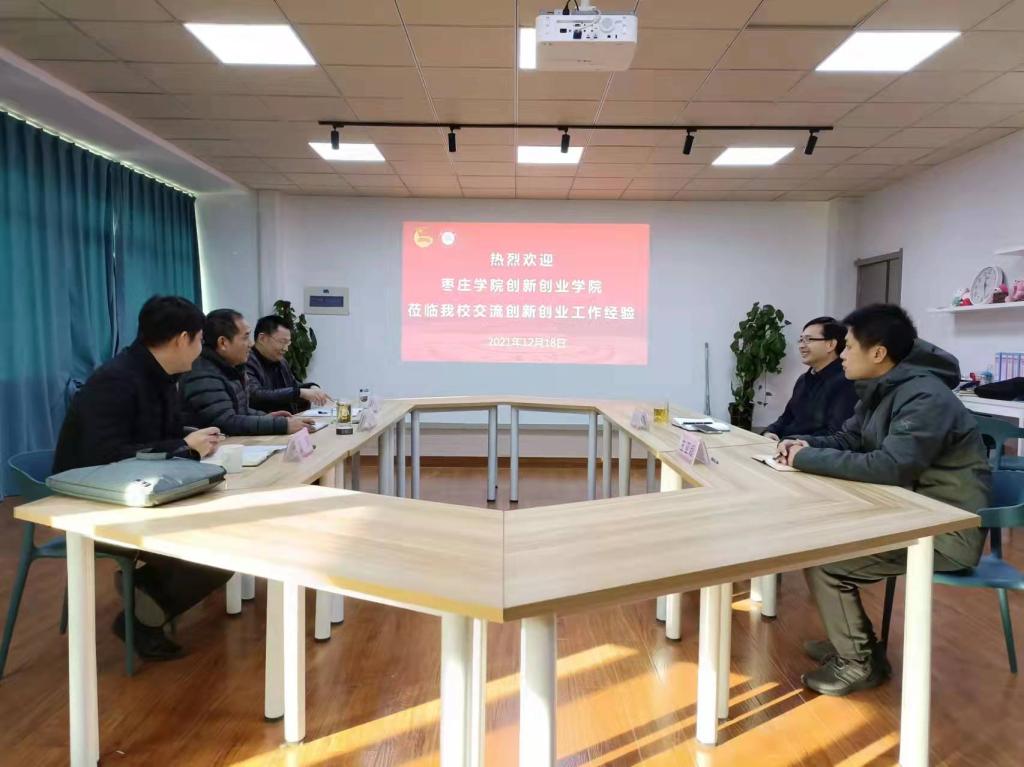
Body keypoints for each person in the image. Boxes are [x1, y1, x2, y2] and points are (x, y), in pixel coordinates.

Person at [775, 304, 990, 696]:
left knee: (827, 561)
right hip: (906, 512)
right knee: (818, 544)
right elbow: (850, 438)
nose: (842, 354)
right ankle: (857, 645)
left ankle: (857, 664)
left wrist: (805, 459)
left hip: (945, 529)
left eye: (849, 346)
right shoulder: (880, 388)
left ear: (878, 352)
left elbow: (891, 466)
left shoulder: (924, 397)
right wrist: (802, 444)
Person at [53, 296, 232, 660]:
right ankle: (141, 615)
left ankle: (145, 593)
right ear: (182, 339)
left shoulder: (161, 376)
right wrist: (183, 447)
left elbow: (157, 436)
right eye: (200, 340)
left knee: (230, 540)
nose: (201, 350)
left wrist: (190, 438)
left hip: (139, 488)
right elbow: (103, 455)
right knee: (220, 547)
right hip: (94, 498)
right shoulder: (116, 380)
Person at [180, 309, 314, 436]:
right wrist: (281, 425)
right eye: (245, 338)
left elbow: (241, 411)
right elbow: (226, 422)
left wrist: (266, 417)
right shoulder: (203, 374)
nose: (250, 344)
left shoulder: (230, 368)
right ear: (223, 342)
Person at [764, 316, 857, 441]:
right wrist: (770, 431)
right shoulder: (803, 379)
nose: (801, 346)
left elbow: (835, 434)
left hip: (807, 449)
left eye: (808, 340)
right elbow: (787, 418)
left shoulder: (846, 382)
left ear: (830, 345)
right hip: (785, 445)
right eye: (801, 340)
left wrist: (791, 441)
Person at [246, 315, 331, 414]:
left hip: (289, 419)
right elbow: (256, 395)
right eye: (282, 342)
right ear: (262, 338)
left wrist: (311, 387)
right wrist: (300, 393)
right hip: (264, 420)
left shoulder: (281, 361)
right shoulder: (246, 361)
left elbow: (293, 385)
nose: (286, 349)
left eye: (288, 343)